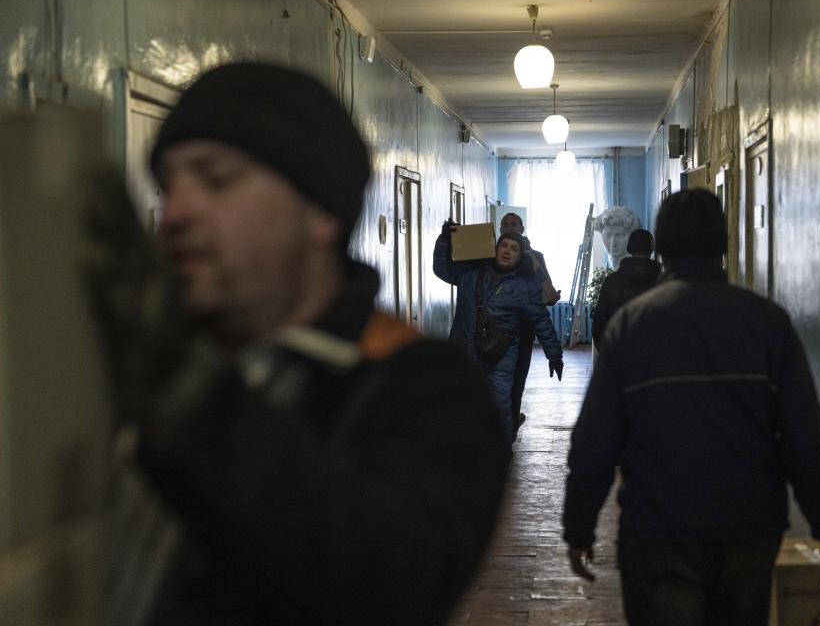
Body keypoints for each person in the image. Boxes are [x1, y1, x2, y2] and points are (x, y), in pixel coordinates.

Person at [95, 62, 509, 625]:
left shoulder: (424, 388)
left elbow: (386, 588)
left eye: (215, 180)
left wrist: (188, 389)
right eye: (168, 186)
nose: (175, 214)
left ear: (321, 212)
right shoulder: (140, 366)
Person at [563, 189, 820, 626]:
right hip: (749, 525)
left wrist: (579, 527)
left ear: (661, 244)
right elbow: (804, 436)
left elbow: (595, 442)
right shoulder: (767, 322)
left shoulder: (632, 326)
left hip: (658, 525)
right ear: (724, 243)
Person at [433, 225, 563, 443]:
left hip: (499, 359)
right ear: (495, 249)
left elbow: (542, 322)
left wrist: (555, 355)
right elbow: (442, 269)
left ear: (520, 257)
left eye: (514, 249)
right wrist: (445, 240)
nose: (507, 251)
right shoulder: (471, 274)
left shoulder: (525, 287)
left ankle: (501, 451)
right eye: (503, 245)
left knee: (500, 406)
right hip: (463, 351)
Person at [499, 212, 561, 438]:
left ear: (522, 228)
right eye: (504, 224)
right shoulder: (490, 258)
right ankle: (504, 426)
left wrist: (549, 296)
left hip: (523, 329)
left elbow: (545, 291)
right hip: (494, 331)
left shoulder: (535, 258)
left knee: (516, 381)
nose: (508, 227)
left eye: (513, 224)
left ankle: (511, 426)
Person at [590, 228, 661, 346]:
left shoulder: (611, 282)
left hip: (619, 353)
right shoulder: (664, 282)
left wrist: (608, 355)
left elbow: (599, 323)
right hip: (656, 357)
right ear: (652, 250)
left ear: (629, 248)